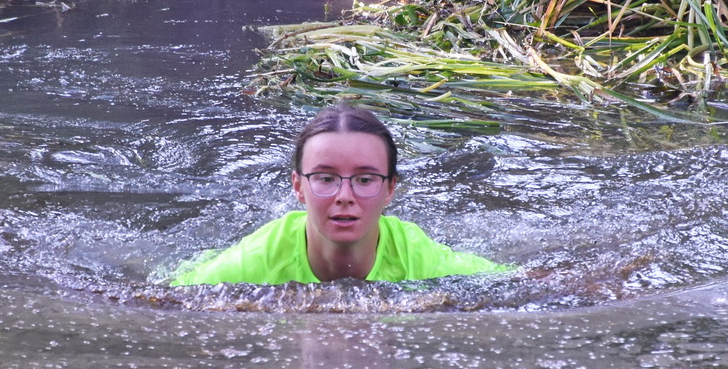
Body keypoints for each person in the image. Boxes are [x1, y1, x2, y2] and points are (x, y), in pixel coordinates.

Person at [171, 104, 507, 285]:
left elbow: (514, 284)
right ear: (298, 186)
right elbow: (164, 297)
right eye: (326, 178)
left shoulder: (419, 259)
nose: (345, 195)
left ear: (390, 188)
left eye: (364, 179)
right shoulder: (256, 260)